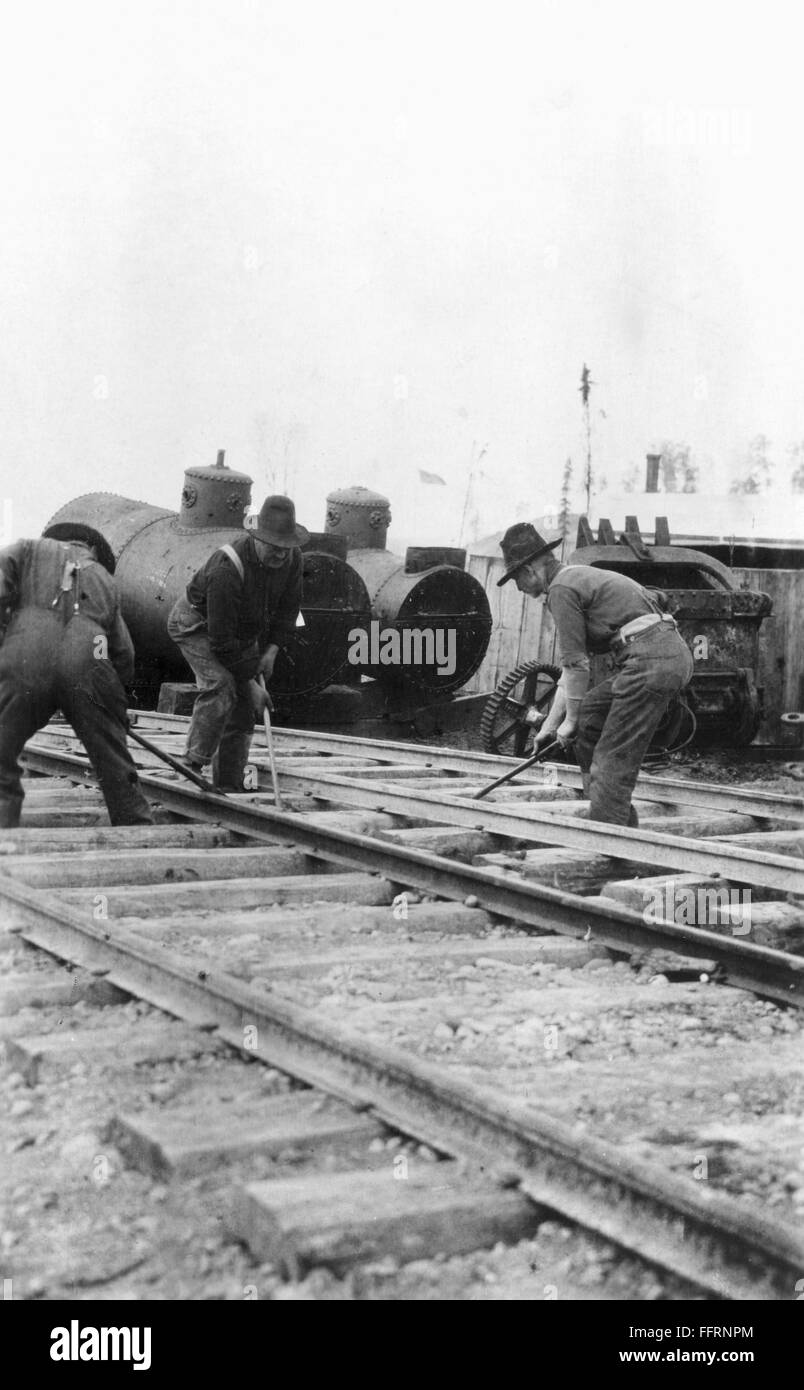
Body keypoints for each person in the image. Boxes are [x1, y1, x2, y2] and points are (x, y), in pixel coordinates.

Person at [497, 522, 693, 826]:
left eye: (516, 579)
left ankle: (610, 840)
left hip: (650, 661)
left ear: (530, 570)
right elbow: (570, 669)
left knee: (611, 757)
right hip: (660, 656)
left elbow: (577, 665)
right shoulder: (576, 579)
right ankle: (611, 816)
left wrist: (568, 722)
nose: (519, 588)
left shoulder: (561, 589)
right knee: (591, 716)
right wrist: (552, 725)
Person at [0, 524, 153, 828]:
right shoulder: (105, 579)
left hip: (26, 653)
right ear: (92, 549)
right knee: (113, 760)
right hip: (90, 659)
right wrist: (111, 709)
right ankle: (136, 827)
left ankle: (4, 832)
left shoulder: (26, 549)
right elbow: (124, 654)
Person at [167, 494, 307, 791]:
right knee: (221, 686)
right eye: (275, 547)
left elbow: (288, 610)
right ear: (257, 538)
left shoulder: (292, 558)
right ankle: (190, 768)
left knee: (244, 709)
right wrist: (250, 684)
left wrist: (272, 651)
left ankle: (229, 782)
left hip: (241, 632)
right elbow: (220, 642)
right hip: (197, 626)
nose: (282, 555)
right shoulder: (227, 568)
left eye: (286, 548)